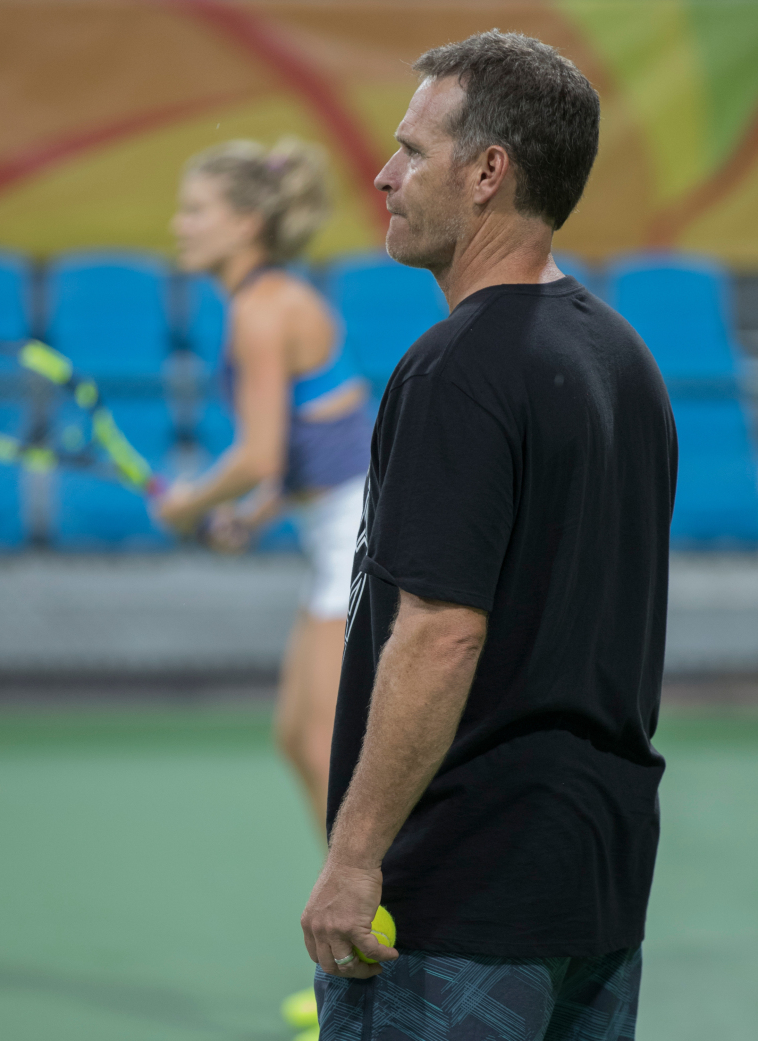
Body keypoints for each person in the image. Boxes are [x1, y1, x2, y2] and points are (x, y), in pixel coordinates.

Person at [301, 30, 677, 1041]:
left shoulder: (455, 370)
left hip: (462, 895)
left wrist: (350, 857)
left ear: (486, 173)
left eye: (412, 152)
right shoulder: (619, 357)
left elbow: (439, 635)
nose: (383, 176)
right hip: (594, 884)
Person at [157, 138, 372, 834]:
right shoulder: (265, 302)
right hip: (334, 525)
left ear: (245, 223)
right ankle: (365, 913)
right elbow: (289, 456)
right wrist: (250, 516)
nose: (178, 225)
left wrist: (188, 502)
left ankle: (377, 918)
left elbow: (255, 455)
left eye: (194, 211)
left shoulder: (261, 311)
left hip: (361, 531)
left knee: (320, 743)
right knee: (295, 737)